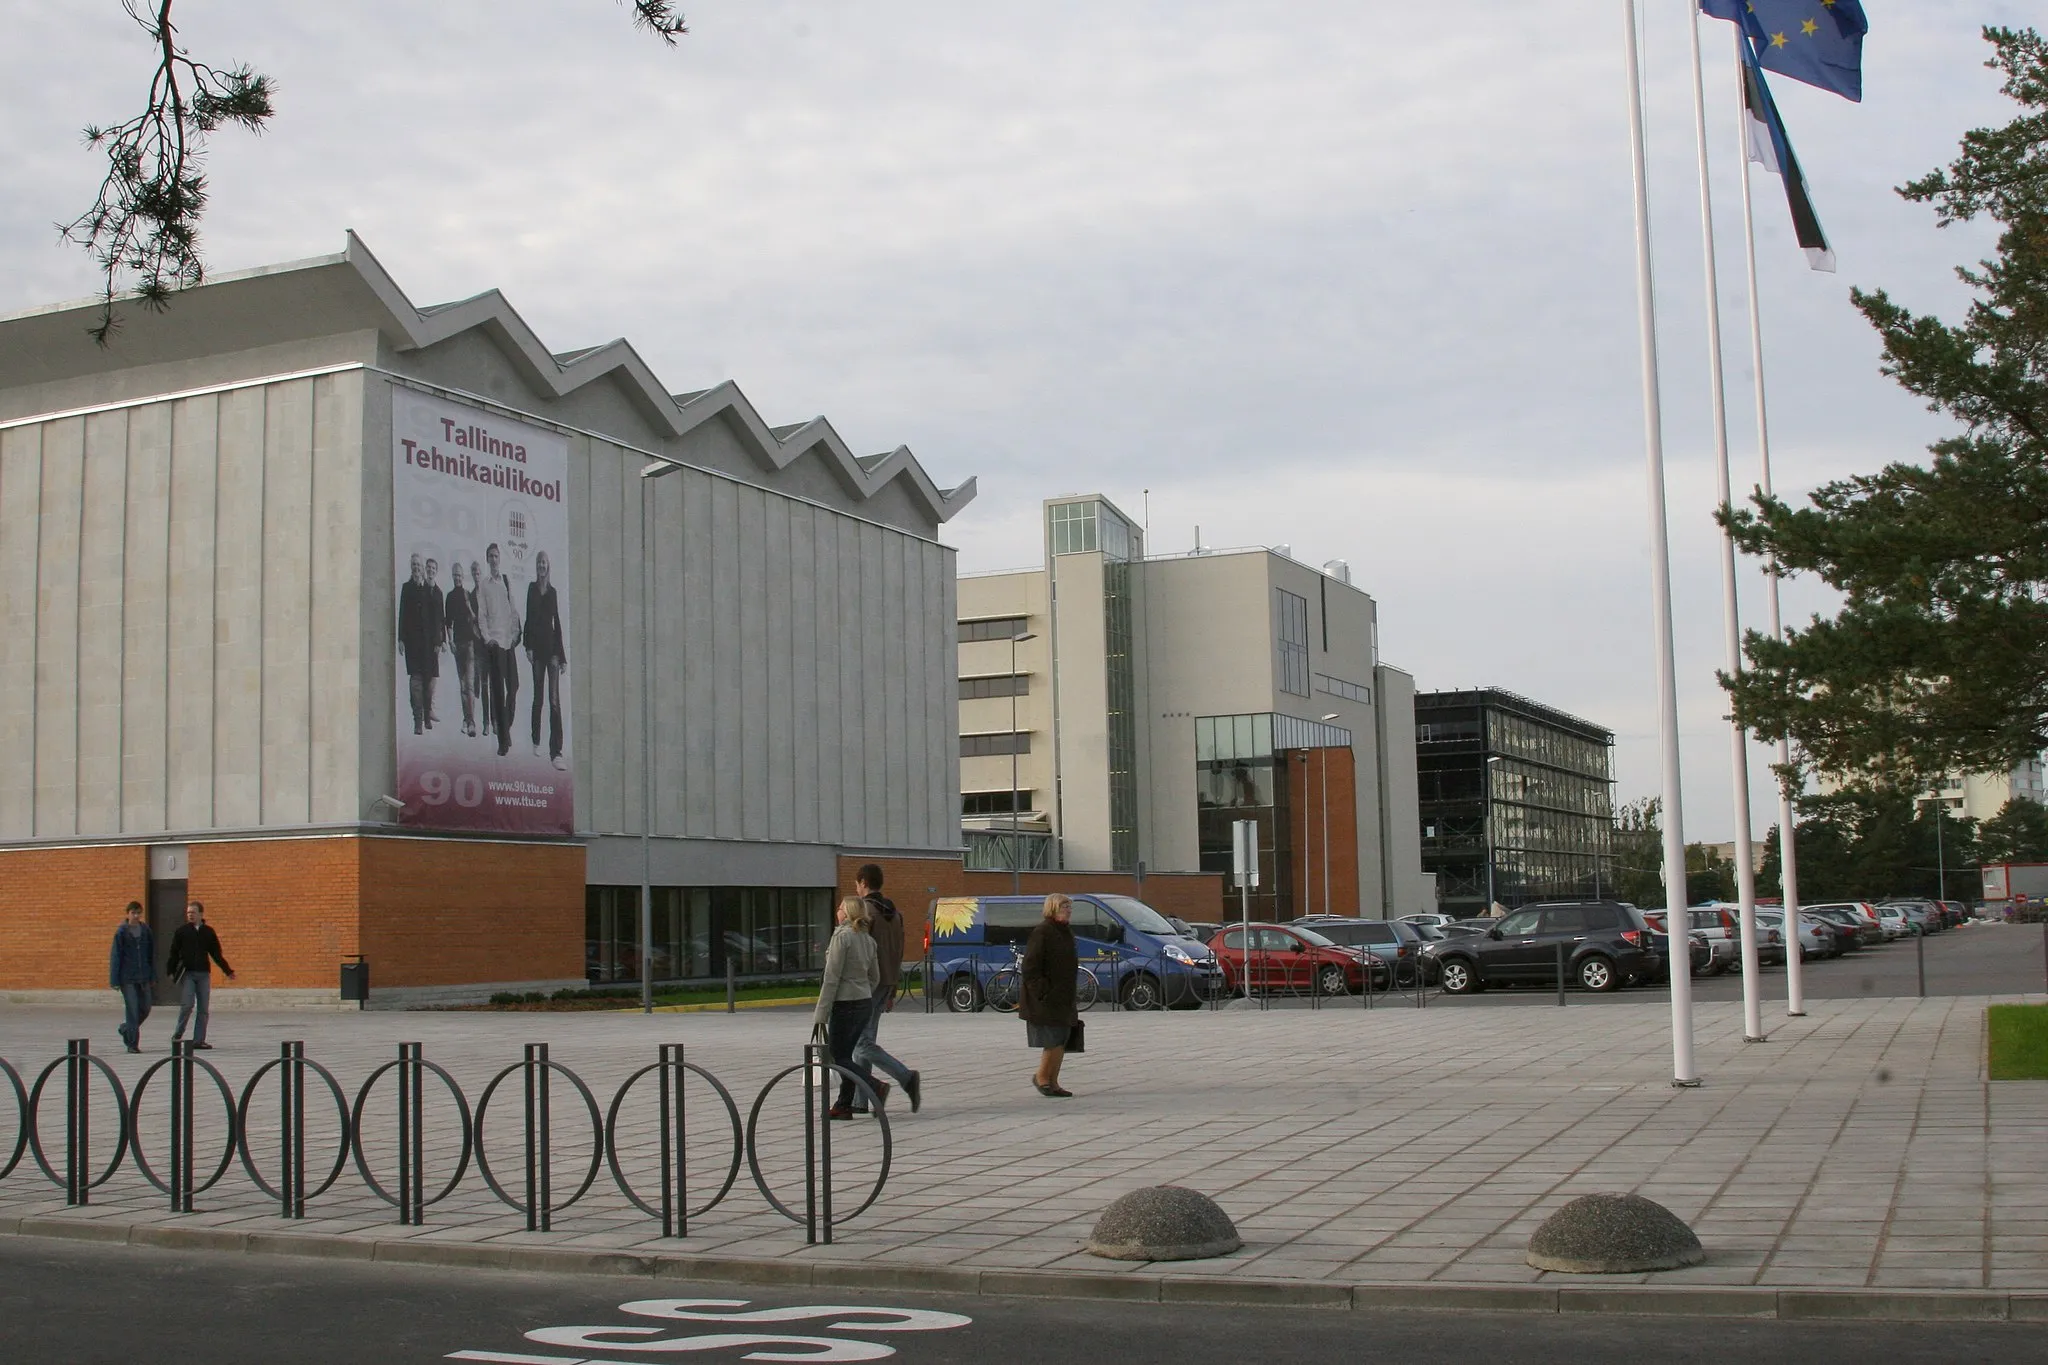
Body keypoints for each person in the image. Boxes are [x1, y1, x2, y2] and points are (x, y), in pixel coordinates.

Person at [851, 863, 920, 1113]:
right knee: (867, 1037)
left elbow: (861, 952)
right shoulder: (894, 913)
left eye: (857, 884)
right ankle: (860, 1100)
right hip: (887, 981)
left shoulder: (865, 912)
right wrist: (893, 988)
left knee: (860, 1043)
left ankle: (905, 1076)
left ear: (863, 883)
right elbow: (898, 951)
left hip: (868, 984)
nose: (856, 888)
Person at [811, 896, 882, 1120]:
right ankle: (843, 1104)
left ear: (848, 912)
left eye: (840, 907)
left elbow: (831, 977)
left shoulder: (842, 937)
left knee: (836, 1056)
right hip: (863, 1002)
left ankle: (874, 1085)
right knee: (846, 1055)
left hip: (844, 1004)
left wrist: (820, 1013)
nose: (837, 911)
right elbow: (875, 977)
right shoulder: (867, 939)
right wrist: (862, 990)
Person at [1021, 893, 1080, 1097]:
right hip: (1047, 998)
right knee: (1053, 1039)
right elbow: (1030, 967)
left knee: (1063, 1038)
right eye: (1064, 906)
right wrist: (1042, 990)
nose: (1068, 910)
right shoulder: (1043, 932)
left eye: (1069, 906)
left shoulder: (1065, 932)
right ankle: (1042, 1078)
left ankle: (1053, 1081)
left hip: (1064, 996)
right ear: (1053, 907)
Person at [475, 543, 523, 757]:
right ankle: (503, 740)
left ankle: (506, 727)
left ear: (499, 559)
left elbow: (513, 610)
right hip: (495, 643)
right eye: (490, 556)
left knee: (513, 687)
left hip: (508, 643)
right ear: (487, 559)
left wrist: (514, 635)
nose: (494, 559)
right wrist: (487, 639)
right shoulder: (484, 586)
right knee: (497, 691)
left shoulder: (505, 581)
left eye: (496, 556)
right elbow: (481, 616)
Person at [168, 901, 236, 1050]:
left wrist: (228, 971)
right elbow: (173, 953)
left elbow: (216, 954)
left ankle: (199, 1040)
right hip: (188, 974)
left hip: (204, 974)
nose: (190, 915)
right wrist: (171, 971)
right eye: (188, 913)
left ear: (200, 914)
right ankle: (178, 1034)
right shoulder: (182, 932)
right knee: (187, 1005)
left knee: (203, 1008)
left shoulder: (208, 932)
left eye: (193, 912)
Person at [524, 550, 568, 770]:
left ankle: (557, 751)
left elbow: (557, 624)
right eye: (539, 562)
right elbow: (528, 619)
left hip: (551, 652)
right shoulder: (532, 589)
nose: (542, 566)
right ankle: (535, 739)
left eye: (544, 563)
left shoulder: (553, 593)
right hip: (537, 652)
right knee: (538, 697)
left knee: (554, 699)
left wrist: (562, 657)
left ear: (548, 566)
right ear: (536, 566)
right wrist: (527, 646)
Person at [397, 554, 440, 735]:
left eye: (418, 565)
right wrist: (400, 639)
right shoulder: (406, 588)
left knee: (429, 682)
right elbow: (402, 614)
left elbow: (437, 618)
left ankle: (427, 714)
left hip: (429, 644)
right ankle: (418, 721)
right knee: (415, 682)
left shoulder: (430, 589)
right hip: (413, 644)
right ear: (411, 567)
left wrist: (439, 641)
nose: (416, 568)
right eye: (413, 565)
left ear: (423, 569)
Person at [108, 901, 155, 1054]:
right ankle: (132, 1044)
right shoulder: (121, 932)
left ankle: (126, 1028)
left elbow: (151, 954)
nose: (136, 916)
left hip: (144, 976)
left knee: (146, 1008)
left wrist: (152, 975)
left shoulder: (146, 930)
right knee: (132, 1010)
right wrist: (114, 980)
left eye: (138, 913)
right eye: (133, 913)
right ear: (127, 913)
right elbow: (116, 956)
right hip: (127, 978)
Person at [445, 561, 480, 737]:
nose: (457, 578)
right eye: (455, 575)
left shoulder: (467, 594)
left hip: (470, 644)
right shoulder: (449, 597)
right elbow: (448, 622)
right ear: (452, 576)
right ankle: (466, 719)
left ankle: (471, 722)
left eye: (460, 575)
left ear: (463, 576)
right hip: (457, 644)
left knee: (470, 685)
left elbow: (476, 619)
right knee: (462, 685)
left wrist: (469, 608)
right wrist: (450, 641)